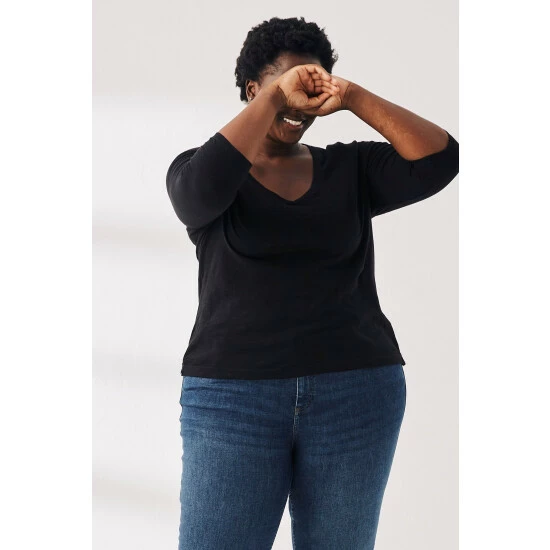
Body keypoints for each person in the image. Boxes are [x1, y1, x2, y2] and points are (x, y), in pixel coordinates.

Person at [166, 16, 459, 550]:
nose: (298, 103)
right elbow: (196, 196)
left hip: (357, 395)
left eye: (312, 85)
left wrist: (352, 96)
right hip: (234, 403)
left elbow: (440, 160)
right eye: (283, 85)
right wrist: (276, 97)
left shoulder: (351, 168)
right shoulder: (202, 170)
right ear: (253, 90)